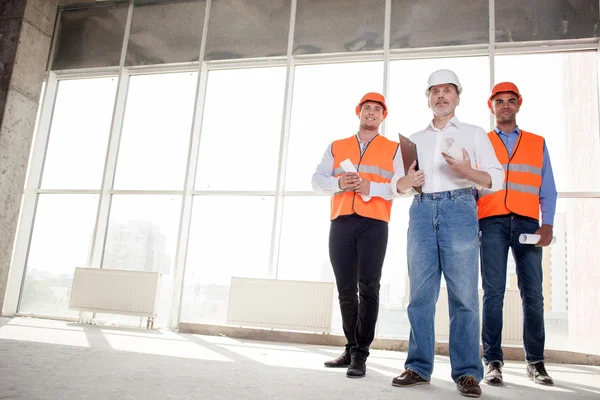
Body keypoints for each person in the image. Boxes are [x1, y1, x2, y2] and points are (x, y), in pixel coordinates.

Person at [390, 69, 504, 398]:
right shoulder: (414, 139)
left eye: (447, 91)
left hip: (460, 209)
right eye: (435, 91)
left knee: (464, 296)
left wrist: (469, 171)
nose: (441, 96)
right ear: (427, 98)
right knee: (421, 297)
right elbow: (394, 186)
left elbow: (496, 178)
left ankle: (468, 372)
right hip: (422, 211)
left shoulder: (474, 133)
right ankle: (418, 366)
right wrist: (405, 183)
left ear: (457, 97)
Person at [312, 92, 403, 379]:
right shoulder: (337, 146)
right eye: (367, 108)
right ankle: (350, 347)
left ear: (383, 116)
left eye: (378, 109)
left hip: (374, 223)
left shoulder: (394, 148)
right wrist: (339, 182)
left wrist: (372, 187)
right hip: (340, 221)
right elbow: (317, 181)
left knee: (369, 287)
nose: (372, 113)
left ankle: (361, 354)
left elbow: (401, 187)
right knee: (345, 289)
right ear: (359, 112)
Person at [478, 82, 557, 386]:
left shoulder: (537, 142)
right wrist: (473, 221)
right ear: (492, 106)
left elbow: (547, 186)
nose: (505, 106)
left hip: (527, 224)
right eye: (500, 101)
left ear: (518, 105)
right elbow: (473, 185)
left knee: (533, 294)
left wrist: (547, 222)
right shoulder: (481, 142)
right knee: (493, 292)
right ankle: (493, 361)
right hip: (492, 222)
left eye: (511, 101)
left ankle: (535, 361)